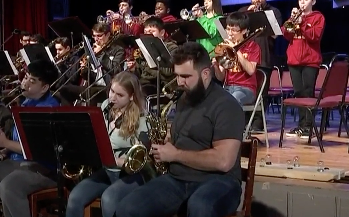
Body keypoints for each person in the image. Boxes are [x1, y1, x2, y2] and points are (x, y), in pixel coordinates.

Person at [116, 42, 244, 217]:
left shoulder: (227, 105)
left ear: (205, 74)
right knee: (127, 208)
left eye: (185, 76)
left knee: (200, 207)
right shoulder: (184, 98)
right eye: (177, 75)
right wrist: (164, 143)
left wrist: (175, 155)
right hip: (178, 178)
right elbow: (183, 138)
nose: (179, 82)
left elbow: (224, 161)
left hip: (219, 182)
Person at [65, 71, 148, 217]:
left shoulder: (141, 119)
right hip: (106, 170)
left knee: (109, 198)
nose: (112, 98)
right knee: (75, 197)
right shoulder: (105, 106)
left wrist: (112, 159)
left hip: (129, 175)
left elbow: (140, 161)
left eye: (119, 95)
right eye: (111, 91)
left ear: (132, 96)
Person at [0, 59, 60, 217]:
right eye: (25, 77)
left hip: (42, 169)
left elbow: (35, 149)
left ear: (44, 88)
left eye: (32, 81)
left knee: (9, 186)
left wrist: (5, 142)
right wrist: (5, 150)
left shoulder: (47, 110)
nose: (25, 83)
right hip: (18, 162)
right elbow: (21, 140)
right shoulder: (27, 102)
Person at [282, 0, 325, 138]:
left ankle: (308, 126)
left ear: (313, 1)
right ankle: (301, 125)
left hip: (310, 60)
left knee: (308, 93)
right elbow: (286, 33)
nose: (302, 2)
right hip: (294, 60)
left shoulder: (318, 17)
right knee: (299, 94)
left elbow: (315, 36)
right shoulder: (295, 16)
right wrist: (291, 20)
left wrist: (302, 24)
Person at [239, 0, 283, 130]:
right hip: (245, 58)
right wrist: (248, 16)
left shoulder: (273, 11)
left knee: (260, 94)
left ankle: (258, 124)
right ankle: (245, 122)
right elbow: (234, 31)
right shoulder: (244, 11)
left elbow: (275, 34)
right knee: (246, 91)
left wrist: (260, 17)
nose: (257, 0)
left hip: (264, 57)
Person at [59, 23, 125, 106]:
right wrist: (84, 69)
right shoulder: (92, 50)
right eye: (94, 36)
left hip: (109, 87)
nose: (96, 39)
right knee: (65, 90)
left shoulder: (118, 50)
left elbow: (116, 70)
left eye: (99, 36)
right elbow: (89, 76)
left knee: (92, 94)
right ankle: (68, 118)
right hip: (93, 85)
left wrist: (102, 53)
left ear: (108, 34)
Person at [212, 12, 261, 106]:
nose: (230, 33)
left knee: (231, 103)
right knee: (212, 103)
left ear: (244, 31)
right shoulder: (224, 47)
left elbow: (251, 70)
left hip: (246, 89)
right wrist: (216, 66)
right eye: (228, 29)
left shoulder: (253, 47)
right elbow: (221, 77)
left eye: (234, 30)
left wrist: (235, 49)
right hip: (227, 87)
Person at [127, 17, 178, 91]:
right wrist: (133, 68)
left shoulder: (172, 47)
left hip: (162, 84)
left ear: (162, 32)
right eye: (146, 32)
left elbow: (169, 71)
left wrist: (147, 66)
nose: (148, 35)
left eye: (151, 32)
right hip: (144, 81)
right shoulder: (144, 47)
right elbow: (140, 72)